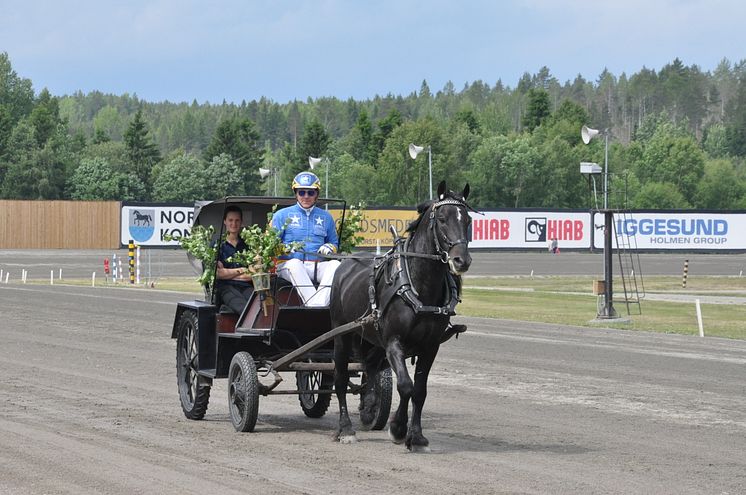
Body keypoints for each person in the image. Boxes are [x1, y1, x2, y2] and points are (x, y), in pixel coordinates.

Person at [271, 171, 340, 307]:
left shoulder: (326, 217)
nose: (306, 196)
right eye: (301, 192)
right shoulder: (280, 215)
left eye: (311, 192)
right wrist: (285, 248)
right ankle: (316, 306)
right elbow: (270, 246)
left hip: (316, 265)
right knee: (295, 263)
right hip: (287, 265)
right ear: (296, 193)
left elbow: (334, 242)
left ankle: (317, 304)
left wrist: (329, 247)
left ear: (317, 194)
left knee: (335, 265)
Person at [215, 205, 253, 314]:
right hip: (225, 287)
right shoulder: (217, 246)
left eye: (237, 220)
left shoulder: (248, 245)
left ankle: (228, 310)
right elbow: (219, 274)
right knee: (243, 307)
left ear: (241, 222)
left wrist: (229, 274)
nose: (234, 224)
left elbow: (252, 273)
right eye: (230, 220)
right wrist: (241, 270)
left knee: (257, 305)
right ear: (225, 222)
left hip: (246, 287)